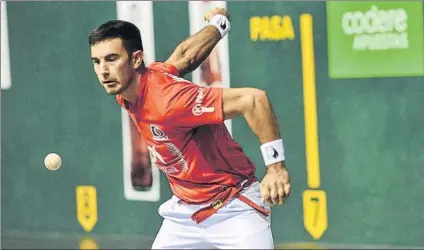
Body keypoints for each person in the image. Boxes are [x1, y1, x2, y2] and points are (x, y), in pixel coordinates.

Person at [88, 8, 291, 249]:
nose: (103, 71)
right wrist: (219, 24)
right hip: (185, 214)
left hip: (235, 208)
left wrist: (276, 168)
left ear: (136, 59)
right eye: (97, 62)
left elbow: (254, 100)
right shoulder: (129, 89)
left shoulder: (170, 100)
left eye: (112, 59)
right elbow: (184, 56)